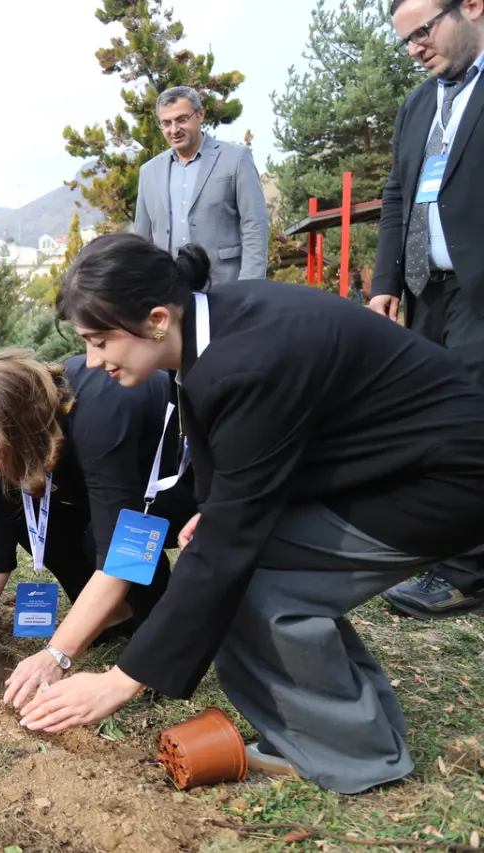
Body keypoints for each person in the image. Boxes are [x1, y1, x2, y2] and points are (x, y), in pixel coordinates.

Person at [25, 233, 484, 795]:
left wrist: (122, 679)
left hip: (443, 479)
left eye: (99, 341)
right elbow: (218, 480)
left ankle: (350, 752)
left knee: (249, 581)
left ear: (155, 319)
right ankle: (344, 733)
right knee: (227, 564)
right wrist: (216, 511)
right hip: (388, 464)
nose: (93, 362)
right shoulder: (212, 328)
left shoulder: (239, 363)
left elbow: (224, 548)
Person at [0, 350, 196, 706]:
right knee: (20, 512)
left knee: (109, 540)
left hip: (176, 486)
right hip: (104, 492)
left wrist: (56, 655)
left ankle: (159, 628)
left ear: (24, 430)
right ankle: (115, 614)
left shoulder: (99, 412)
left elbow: (125, 551)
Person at [368, 0, 484, 620]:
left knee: (470, 418)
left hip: (479, 289)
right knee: (437, 418)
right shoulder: (418, 103)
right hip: (426, 289)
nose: (414, 47)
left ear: (470, 6)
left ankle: (465, 572)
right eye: (406, 39)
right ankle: (450, 548)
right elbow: (396, 195)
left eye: (424, 30)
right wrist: (385, 280)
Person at [133, 86, 268, 285]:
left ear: (200, 115)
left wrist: (250, 285)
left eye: (181, 119)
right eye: (166, 123)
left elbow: (254, 224)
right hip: (170, 290)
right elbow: (142, 239)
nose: (174, 129)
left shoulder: (236, 158)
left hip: (227, 285)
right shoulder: (149, 171)